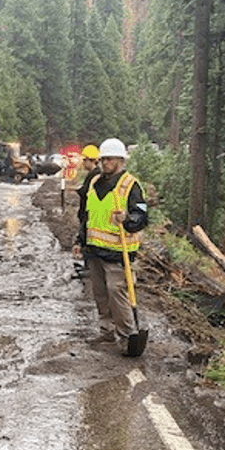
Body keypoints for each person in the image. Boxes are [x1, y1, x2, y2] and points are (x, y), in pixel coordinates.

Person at [74, 138, 148, 354]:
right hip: (94, 250)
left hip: (118, 252)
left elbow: (142, 216)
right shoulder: (94, 182)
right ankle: (106, 332)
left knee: (117, 293)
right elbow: (86, 216)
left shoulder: (130, 185)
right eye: (103, 159)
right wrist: (79, 240)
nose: (104, 162)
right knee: (100, 293)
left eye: (109, 159)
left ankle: (126, 336)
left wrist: (127, 218)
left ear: (120, 160)